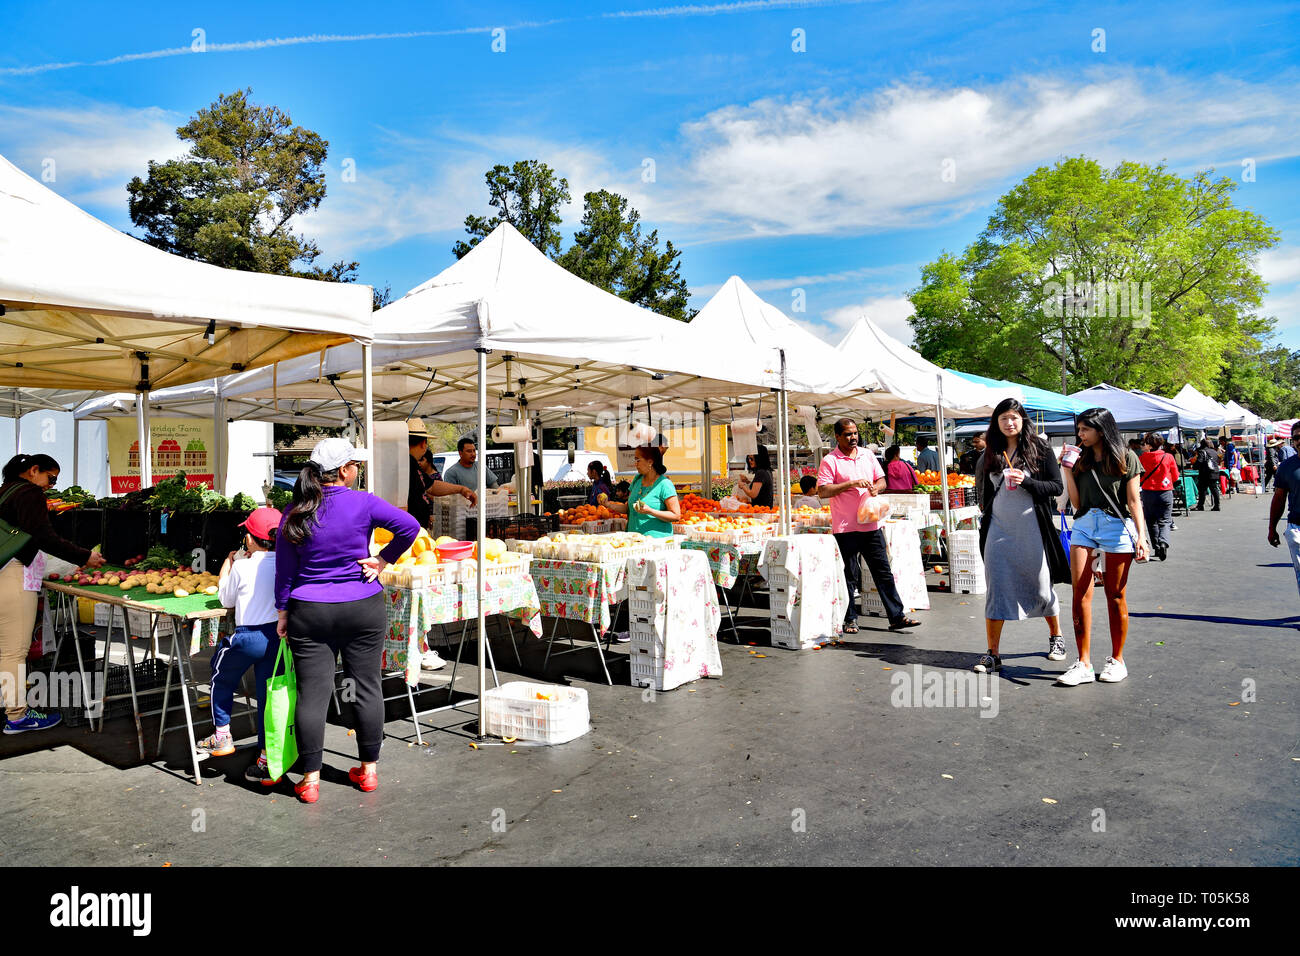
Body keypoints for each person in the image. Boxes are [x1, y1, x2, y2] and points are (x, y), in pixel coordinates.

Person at [275, 438, 421, 803]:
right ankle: (368, 771)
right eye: (355, 464)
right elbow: (410, 527)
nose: (358, 470)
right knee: (366, 686)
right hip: (361, 607)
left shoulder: (296, 510)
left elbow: (285, 569)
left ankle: (310, 779)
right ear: (343, 470)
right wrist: (384, 559)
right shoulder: (363, 502)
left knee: (313, 694)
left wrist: (282, 611)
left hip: (309, 611)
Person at [0, 454, 105, 734]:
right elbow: (43, 537)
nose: (51, 485)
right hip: (13, 575)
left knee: (4, 651)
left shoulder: (3, 492)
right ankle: (18, 717)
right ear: (34, 471)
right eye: (51, 477)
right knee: (13, 652)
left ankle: (11, 708)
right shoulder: (29, 493)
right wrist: (84, 556)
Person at [972, 400, 1069, 673]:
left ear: (1023, 420)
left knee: (1041, 586)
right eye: (1003, 418)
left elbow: (1055, 486)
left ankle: (1056, 638)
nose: (1009, 423)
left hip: (1032, 530)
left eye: (1014, 417)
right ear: (996, 422)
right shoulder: (991, 452)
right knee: (997, 588)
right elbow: (986, 492)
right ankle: (993, 653)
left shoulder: (1039, 449)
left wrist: (1026, 481)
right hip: (998, 531)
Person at [1059, 407, 1150, 687]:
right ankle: (1083, 662)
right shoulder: (1080, 458)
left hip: (1116, 525)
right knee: (1080, 593)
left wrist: (1141, 537)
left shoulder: (1126, 456)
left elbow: (1134, 501)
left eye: (1085, 429)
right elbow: (1076, 503)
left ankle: (1117, 659)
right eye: (1080, 430)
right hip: (1085, 523)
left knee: (1115, 595)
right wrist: (1067, 471)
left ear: (1101, 429)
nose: (1080, 434)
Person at [197, 507, 284, 782]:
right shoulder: (286, 562)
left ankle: (222, 735)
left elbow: (226, 600)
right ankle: (268, 760)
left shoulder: (243, 565)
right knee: (269, 697)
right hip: (278, 638)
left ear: (250, 539)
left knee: (220, 678)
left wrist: (229, 561)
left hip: (248, 637)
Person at [816, 419, 920, 634]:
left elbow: (882, 480)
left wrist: (876, 488)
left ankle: (896, 616)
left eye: (854, 433)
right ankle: (849, 619)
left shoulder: (867, 455)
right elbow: (823, 491)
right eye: (847, 434)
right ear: (837, 436)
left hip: (871, 524)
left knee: (883, 572)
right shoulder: (830, 461)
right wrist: (850, 484)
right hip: (845, 527)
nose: (852, 437)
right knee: (849, 575)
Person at [407, 420, 476, 529]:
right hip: (409, 527)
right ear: (423, 444)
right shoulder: (407, 463)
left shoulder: (412, 463)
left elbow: (431, 486)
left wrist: (461, 489)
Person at [604, 446, 681, 538]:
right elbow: (628, 508)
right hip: (634, 539)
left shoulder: (664, 484)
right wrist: (608, 504)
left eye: (638, 460)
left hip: (656, 542)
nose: (635, 464)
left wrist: (651, 511)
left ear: (650, 462)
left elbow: (676, 515)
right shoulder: (637, 479)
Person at [1266, 432, 1300, 598]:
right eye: (1297, 437)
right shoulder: (1286, 467)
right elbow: (1279, 498)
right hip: (1297, 527)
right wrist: (1272, 528)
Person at [1138, 433, 1179, 562]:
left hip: (1148, 491)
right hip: (1165, 491)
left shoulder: (1143, 457)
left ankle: (1156, 546)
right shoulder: (1168, 457)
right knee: (1165, 520)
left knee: (1151, 521)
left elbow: (1139, 475)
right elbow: (1176, 475)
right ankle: (1163, 542)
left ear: (1149, 445)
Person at [1192, 438, 1221, 511]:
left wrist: (1194, 466)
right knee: (1214, 489)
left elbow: (1199, 461)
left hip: (1206, 473)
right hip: (1215, 471)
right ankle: (1217, 505)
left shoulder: (1202, 452)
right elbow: (1217, 460)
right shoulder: (1214, 451)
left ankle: (1200, 505)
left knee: (1202, 490)